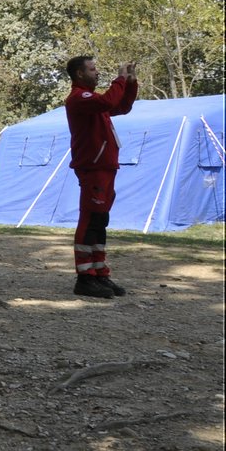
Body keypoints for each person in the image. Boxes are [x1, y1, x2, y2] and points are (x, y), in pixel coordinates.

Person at [65, 56, 139, 298]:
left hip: (106, 167)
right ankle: (84, 278)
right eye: (92, 69)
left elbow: (122, 106)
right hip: (93, 167)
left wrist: (130, 81)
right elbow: (109, 99)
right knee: (89, 220)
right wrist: (119, 77)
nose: (97, 73)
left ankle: (100, 274)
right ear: (79, 74)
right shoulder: (79, 98)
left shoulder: (94, 102)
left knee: (100, 221)